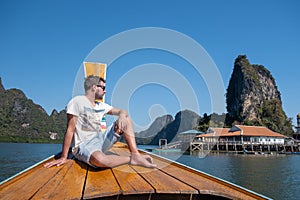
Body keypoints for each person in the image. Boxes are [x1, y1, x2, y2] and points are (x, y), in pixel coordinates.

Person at [44, 75, 156, 168]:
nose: (105, 91)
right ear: (94, 87)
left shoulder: (101, 105)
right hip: (83, 145)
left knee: (126, 118)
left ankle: (135, 154)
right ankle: (131, 159)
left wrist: (121, 115)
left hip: (101, 139)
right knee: (100, 160)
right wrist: (64, 157)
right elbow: (70, 130)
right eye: (103, 87)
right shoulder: (77, 102)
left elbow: (123, 111)